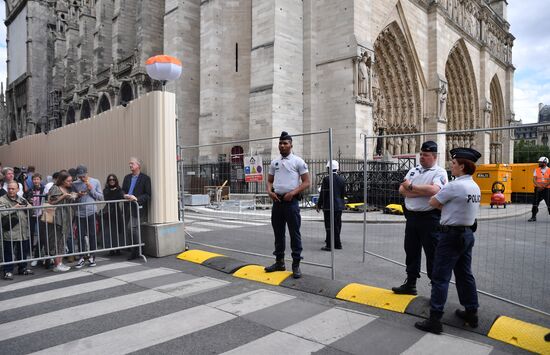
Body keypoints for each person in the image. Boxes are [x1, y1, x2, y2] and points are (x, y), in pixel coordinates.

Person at [415, 147, 482, 334]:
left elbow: (433, 202)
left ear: (462, 166)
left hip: (451, 235)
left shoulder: (455, 185)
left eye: (453, 164)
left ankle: (435, 319)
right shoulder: (474, 186)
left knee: (440, 277)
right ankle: (471, 311)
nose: (451, 166)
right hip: (467, 234)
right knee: (464, 274)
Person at [392, 141, 448, 295]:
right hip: (412, 217)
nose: (422, 157)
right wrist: (418, 191)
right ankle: (410, 284)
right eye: (421, 154)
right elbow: (401, 190)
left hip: (429, 218)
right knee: (411, 251)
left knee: (432, 254)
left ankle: (435, 290)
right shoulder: (413, 170)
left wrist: (411, 187)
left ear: (434, 156)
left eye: (426, 155)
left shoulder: (440, 172)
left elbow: (434, 190)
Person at [264, 131, 310, 279]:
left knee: (294, 234)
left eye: (285, 143)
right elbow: (270, 180)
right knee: (278, 234)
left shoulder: (298, 161)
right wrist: (269, 191)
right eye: (280, 143)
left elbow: (307, 182)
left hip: (291, 202)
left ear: (291, 145)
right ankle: (279, 262)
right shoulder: (274, 162)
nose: (282, 146)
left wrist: (293, 192)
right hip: (277, 202)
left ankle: (296, 265)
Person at [72, 165, 103, 268]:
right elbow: (72, 199)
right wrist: (78, 196)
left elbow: (100, 197)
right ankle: (81, 257)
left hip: (91, 212)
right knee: (80, 235)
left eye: (83, 175)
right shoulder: (75, 184)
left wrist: (91, 189)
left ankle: (92, 257)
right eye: (79, 176)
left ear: (86, 173)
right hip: (79, 213)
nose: (81, 178)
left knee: (92, 234)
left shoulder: (95, 181)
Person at [0, 181, 32, 280]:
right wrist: (15, 208)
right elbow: (2, 213)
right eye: (9, 188)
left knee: (23, 250)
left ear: (18, 189)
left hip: (22, 230)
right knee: (8, 252)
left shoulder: (21, 198)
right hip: (9, 230)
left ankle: (23, 268)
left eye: (13, 189)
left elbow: (31, 207)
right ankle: (8, 271)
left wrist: (27, 206)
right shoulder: (2, 199)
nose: (10, 190)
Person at [122, 157, 151, 260]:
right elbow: (123, 190)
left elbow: (148, 195)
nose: (130, 165)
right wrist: (124, 195)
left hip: (137, 207)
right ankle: (136, 249)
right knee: (129, 229)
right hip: (127, 206)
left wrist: (136, 198)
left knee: (132, 228)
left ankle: (137, 250)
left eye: (132, 164)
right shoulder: (127, 177)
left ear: (138, 165)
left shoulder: (145, 178)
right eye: (129, 164)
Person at [47, 172, 77, 272]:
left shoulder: (68, 189)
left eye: (71, 181)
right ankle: (57, 264)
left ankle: (59, 262)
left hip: (67, 217)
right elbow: (51, 201)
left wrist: (76, 195)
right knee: (56, 240)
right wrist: (63, 197)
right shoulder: (55, 188)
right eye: (68, 181)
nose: (70, 182)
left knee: (62, 241)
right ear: (62, 180)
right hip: (57, 218)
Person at [316, 160, 345, 251]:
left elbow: (323, 194)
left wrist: (319, 204)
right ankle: (337, 243)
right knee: (337, 224)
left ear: (329, 168)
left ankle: (329, 245)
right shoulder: (342, 179)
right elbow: (343, 194)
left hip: (329, 206)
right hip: (339, 205)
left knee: (329, 226)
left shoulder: (326, 179)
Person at [24, 173, 47, 266]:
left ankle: (41, 255)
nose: (36, 181)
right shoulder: (30, 190)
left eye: (37, 179)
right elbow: (25, 200)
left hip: (42, 214)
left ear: (40, 180)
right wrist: (29, 201)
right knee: (31, 233)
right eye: (34, 179)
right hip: (32, 214)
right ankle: (31, 253)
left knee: (42, 234)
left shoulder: (44, 189)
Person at [103, 174, 125, 256]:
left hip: (117, 211)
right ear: (108, 181)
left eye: (113, 179)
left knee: (118, 230)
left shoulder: (119, 189)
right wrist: (114, 191)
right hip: (109, 211)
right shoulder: (105, 190)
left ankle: (118, 248)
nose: (112, 181)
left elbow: (120, 196)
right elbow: (108, 198)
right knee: (109, 231)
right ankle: (111, 249)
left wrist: (116, 191)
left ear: (116, 181)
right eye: (110, 180)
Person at [528, 156, 550, 222]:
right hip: (538, 189)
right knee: (535, 203)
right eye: (539, 162)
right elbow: (534, 180)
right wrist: (539, 187)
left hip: (547, 190)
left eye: (541, 162)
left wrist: (543, 187)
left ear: (545, 163)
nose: (539, 163)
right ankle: (533, 216)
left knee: (549, 203)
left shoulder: (549, 170)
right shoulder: (536, 170)